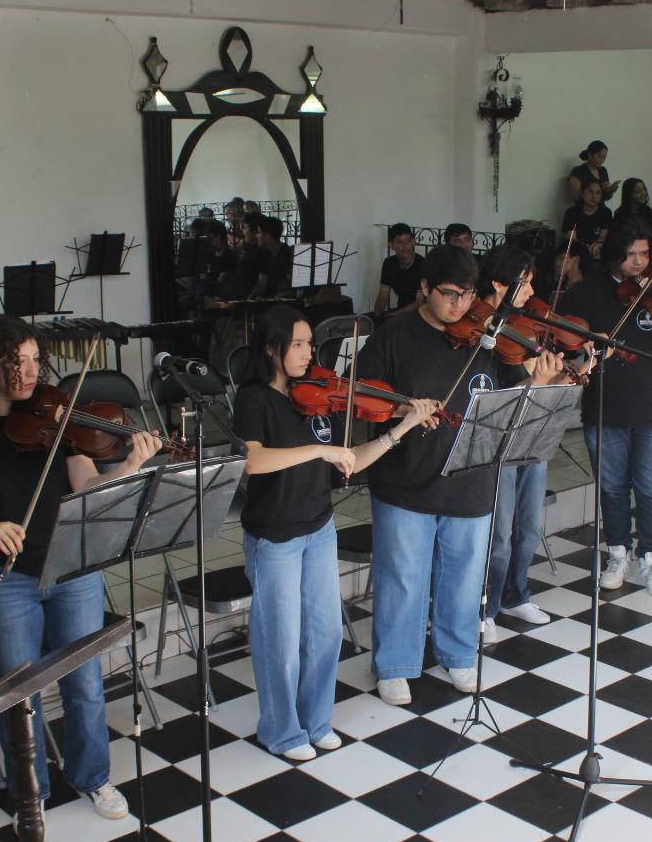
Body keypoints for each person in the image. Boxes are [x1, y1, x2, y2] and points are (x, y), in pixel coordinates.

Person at [0, 315, 162, 820]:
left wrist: (129, 465)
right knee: (18, 692)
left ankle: (92, 777)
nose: (31, 372)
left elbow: (87, 488)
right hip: (5, 580)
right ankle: (30, 790)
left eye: (35, 359)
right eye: (18, 361)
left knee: (85, 684)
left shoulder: (57, 421)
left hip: (72, 570)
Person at [356, 245, 566, 705]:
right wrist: (403, 410)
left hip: (472, 477)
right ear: (425, 287)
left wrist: (540, 382)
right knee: (403, 577)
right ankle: (395, 664)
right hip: (405, 480)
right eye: (449, 294)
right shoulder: (394, 336)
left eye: (468, 294)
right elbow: (364, 396)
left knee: (465, 574)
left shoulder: (490, 337)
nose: (460, 305)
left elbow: (514, 399)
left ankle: (457, 653)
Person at [233, 306, 439, 758]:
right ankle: (281, 732)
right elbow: (252, 462)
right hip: (275, 538)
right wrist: (317, 451)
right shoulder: (253, 399)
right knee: (281, 643)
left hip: (319, 529)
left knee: (325, 633)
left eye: (310, 344)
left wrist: (401, 426)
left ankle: (316, 721)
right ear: (271, 348)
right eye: (298, 345)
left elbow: (350, 460)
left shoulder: (318, 397)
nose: (309, 353)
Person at [563, 220, 652, 598]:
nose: (639, 262)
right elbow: (568, 350)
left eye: (644, 254)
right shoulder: (585, 293)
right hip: (605, 407)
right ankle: (617, 555)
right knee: (612, 487)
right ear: (615, 254)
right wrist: (589, 349)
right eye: (631, 254)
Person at [477, 245, 577, 644]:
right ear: (499, 284)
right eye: (525, 283)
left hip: (532, 434)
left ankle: (516, 594)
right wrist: (535, 379)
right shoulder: (481, 333)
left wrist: (559, 378)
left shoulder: (522, 328)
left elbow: (535, 391)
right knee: (499, 535)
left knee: (528, 526)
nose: (532, 291)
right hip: (498, 442)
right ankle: (486, 608)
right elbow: (495, 396)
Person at [562, 178, 613, 276]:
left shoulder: (606, 213)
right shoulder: (572, 212)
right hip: (576, 251)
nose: (594, 196)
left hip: (597, 251)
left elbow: (603, 237)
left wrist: (595, 248)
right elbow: (571, 239)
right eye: (590, 192)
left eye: (598, 193)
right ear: (582, 193)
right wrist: (585, 251)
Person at [375, 223, 422, 317]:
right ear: (391, 245)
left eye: (408, 241)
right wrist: (376, 316)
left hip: (421, 314)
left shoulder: (422, 264)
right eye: (400, 242)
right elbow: (383, 295)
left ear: (413, 242)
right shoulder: (389, 263)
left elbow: (419, 302)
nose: (405, 246)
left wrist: (393, 315)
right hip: (401, 311)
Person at [568, 140, 618, 206]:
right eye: (599, 156)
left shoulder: (603, 170)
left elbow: (605, 198)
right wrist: (596, 191)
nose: (602, 160)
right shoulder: (578, 171)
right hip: (583, 209)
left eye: (604, 157)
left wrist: (610, 191)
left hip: (601, 208)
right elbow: (575, 197)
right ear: (589, 155)